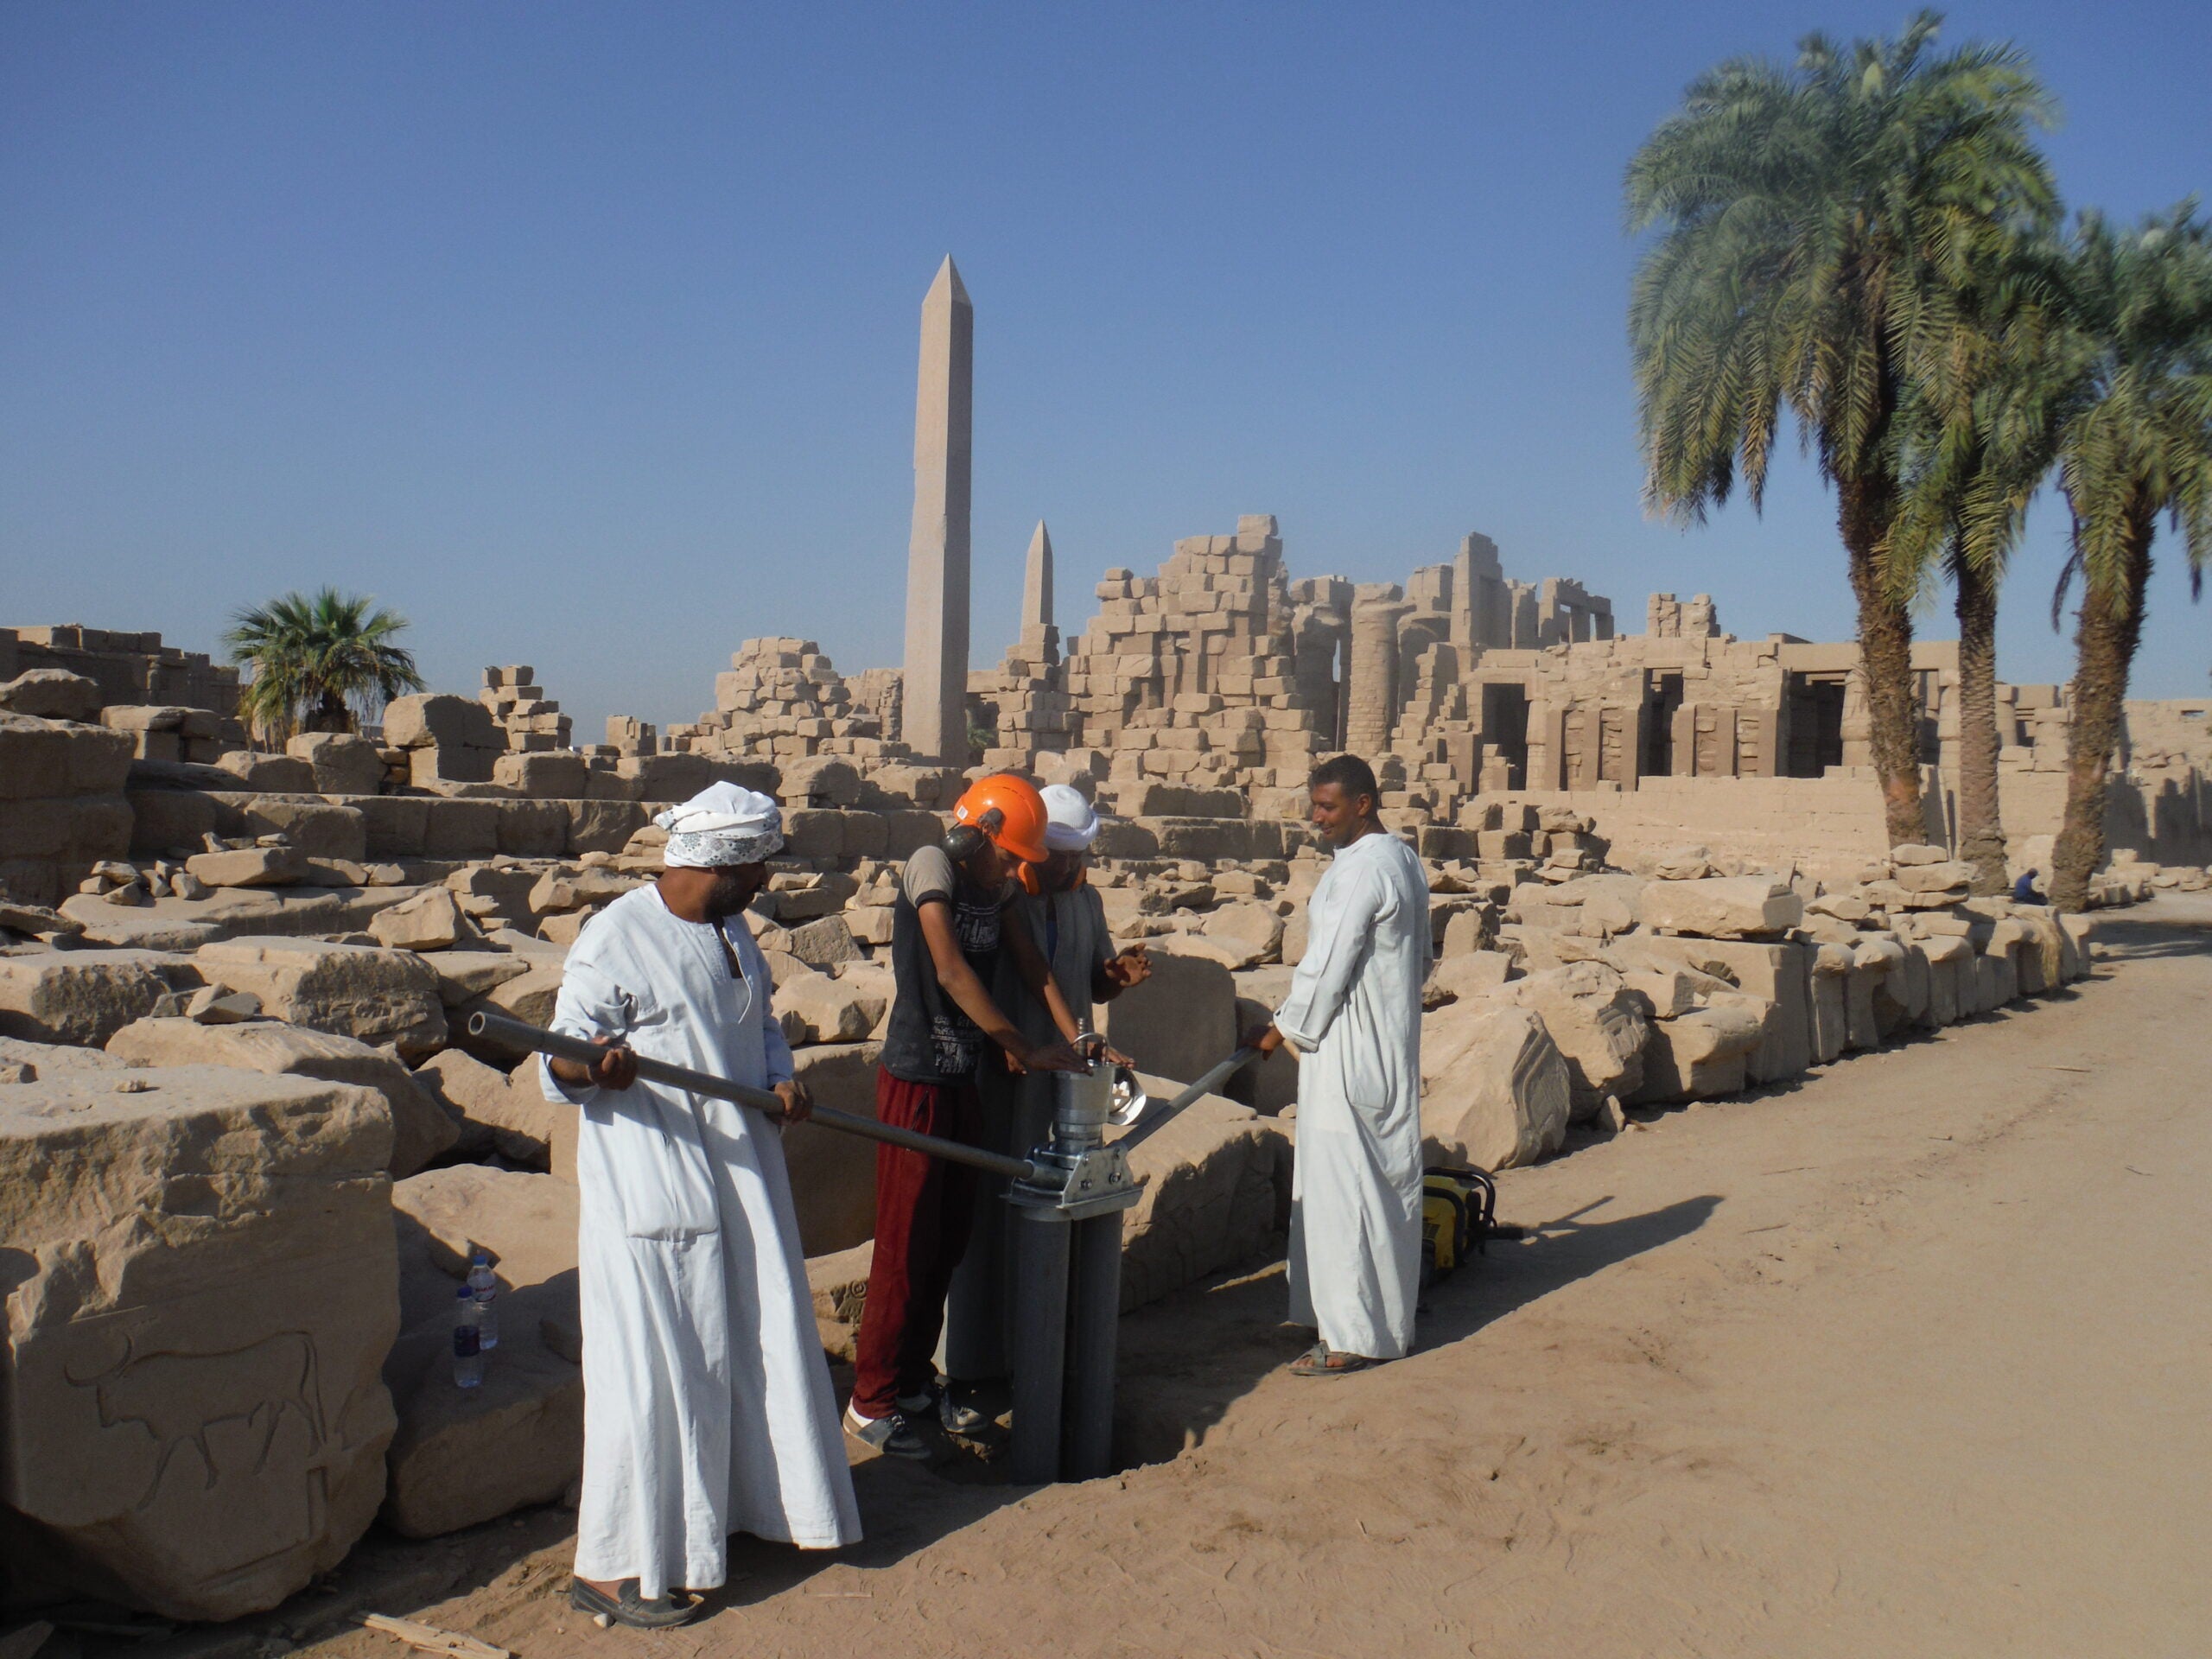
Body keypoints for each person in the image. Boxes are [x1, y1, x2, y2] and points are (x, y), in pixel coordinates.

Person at [538, 782, 860, 1629]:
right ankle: (615, 1567)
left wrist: (783, 1080)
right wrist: (591, 1065)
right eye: (756, 869)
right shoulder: (614, 937)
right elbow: (560, 1058)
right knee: (652, 1377)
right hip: (654, 1188)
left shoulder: (732, 930)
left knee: (746, 1347)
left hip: (742, 1175)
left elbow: (758, 1028)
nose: (765, 882)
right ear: (719, 865)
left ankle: (732, 1519)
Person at [844, 774, 1089, 1459]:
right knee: (904, 1244)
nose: (1013, 872)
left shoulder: (997, 886)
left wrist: (1079, 1039)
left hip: (962, 1080)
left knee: (947, 1238)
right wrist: (1022, 1046)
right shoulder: (934, 865)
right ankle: (870, 1400)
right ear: (973, 835)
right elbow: (951, 971)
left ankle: (912, 1379)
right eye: (1008, 857)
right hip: (917, 1078)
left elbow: (1033, 965)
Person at [938, 782, 1154, 1431]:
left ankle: (1044, 1357)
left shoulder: (1084, 900)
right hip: (1001, 1081)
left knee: (1058, 1216)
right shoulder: (997, 899)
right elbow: (970, 983)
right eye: (1054, 857)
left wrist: (1113, 979)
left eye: (1074, 857)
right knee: (987, 1223)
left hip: (1065, 1088)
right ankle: (972, 1372)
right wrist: (1009, 1042)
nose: (1064, 868)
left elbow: (1085, 984)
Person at [1239, 753, 1431, 1376]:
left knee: (1346, 1191)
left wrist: (1279, 1029)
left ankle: (1352, 1337)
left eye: (1327, 807)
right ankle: (1355, 1318)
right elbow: (1419, 960)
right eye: (1314, 806)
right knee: (1375, 1186)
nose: (1316, 818)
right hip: (1381, 1042)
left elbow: (1328, 965)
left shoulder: (1365, 868)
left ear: (1362, 804)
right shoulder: (1400, 858)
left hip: (1348, 1047)